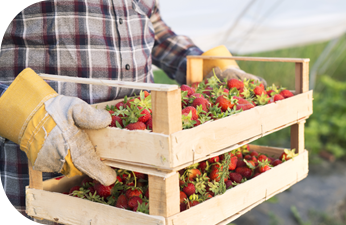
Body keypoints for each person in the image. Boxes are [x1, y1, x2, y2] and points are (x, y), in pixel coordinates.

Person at [0, 1, 265, 224]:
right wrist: (26, 113)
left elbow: (154, 28)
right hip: (34, 183)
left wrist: (205, 67)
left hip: (141, 179)